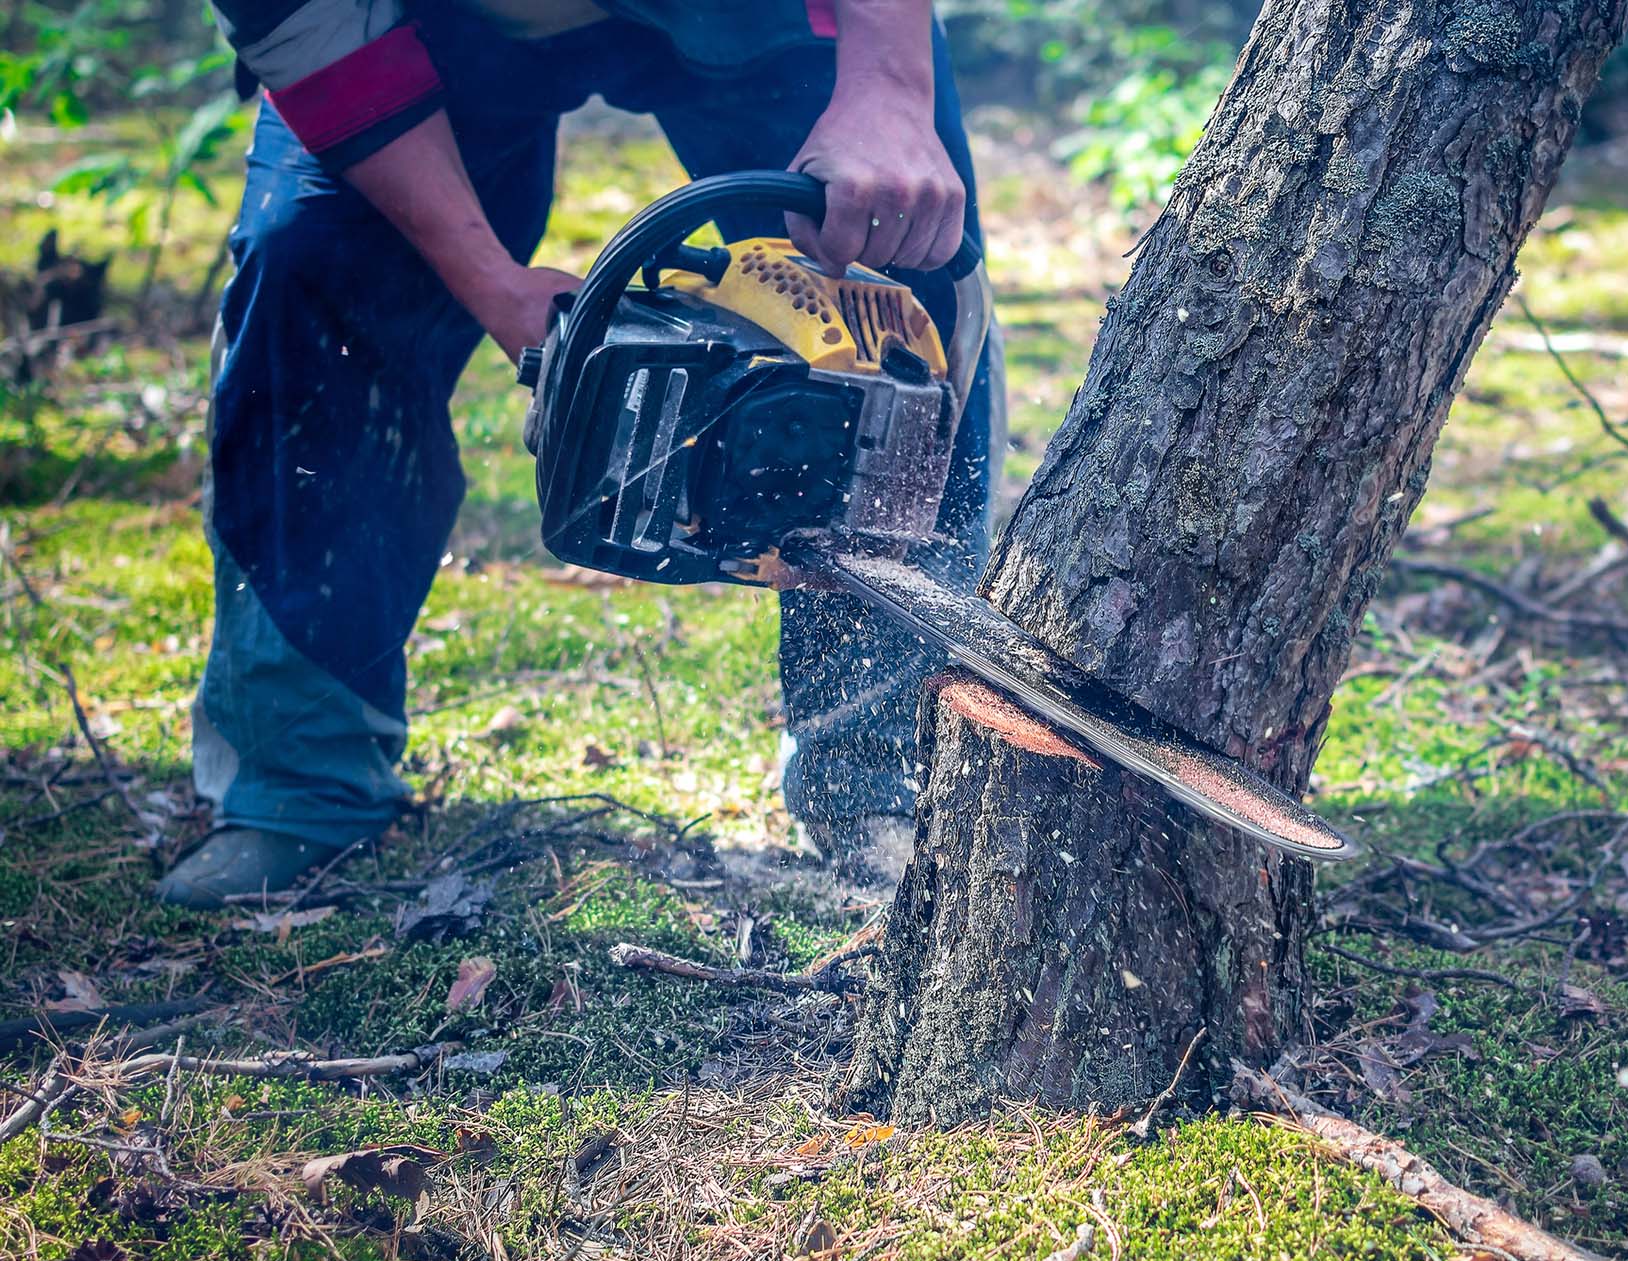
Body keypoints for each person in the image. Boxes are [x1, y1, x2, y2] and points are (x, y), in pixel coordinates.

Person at [156, 0, 998, 907]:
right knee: (308, 269)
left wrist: (890, 85)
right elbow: (302, 25)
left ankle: (883, 772)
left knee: (898, 259)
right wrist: (494, 285)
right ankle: (299, 780)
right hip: (427, 20)